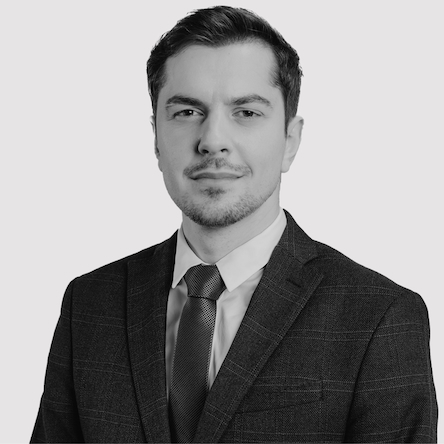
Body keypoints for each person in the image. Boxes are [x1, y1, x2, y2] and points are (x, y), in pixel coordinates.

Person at [31, 6, 437, 443]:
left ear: (290, 140)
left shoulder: (378, 317)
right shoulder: (90, 305)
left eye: (246, 112)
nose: (212, 141)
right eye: (187, 112)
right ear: (156, 138)